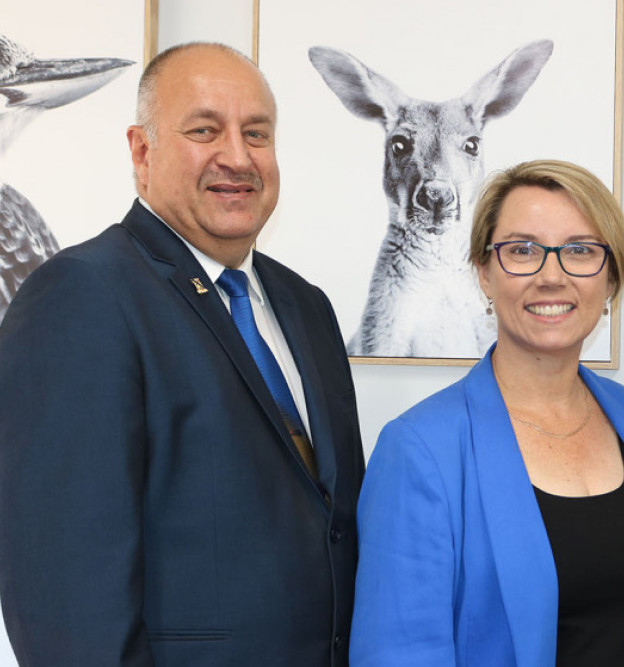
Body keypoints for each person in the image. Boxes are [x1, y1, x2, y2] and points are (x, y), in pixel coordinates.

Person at [0, 43, 365, 666]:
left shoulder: (308, 308)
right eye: (204, 130)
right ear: (142, 153)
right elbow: (67, 597)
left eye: (257, 133)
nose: (237, 156)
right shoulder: (83, 294)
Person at [349, 159, 624, 666]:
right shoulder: (420, 450)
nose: (551, 275)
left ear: (611, 280)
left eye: (580, 251)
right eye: (522, 251)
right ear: (484, 274)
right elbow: (398, 653)